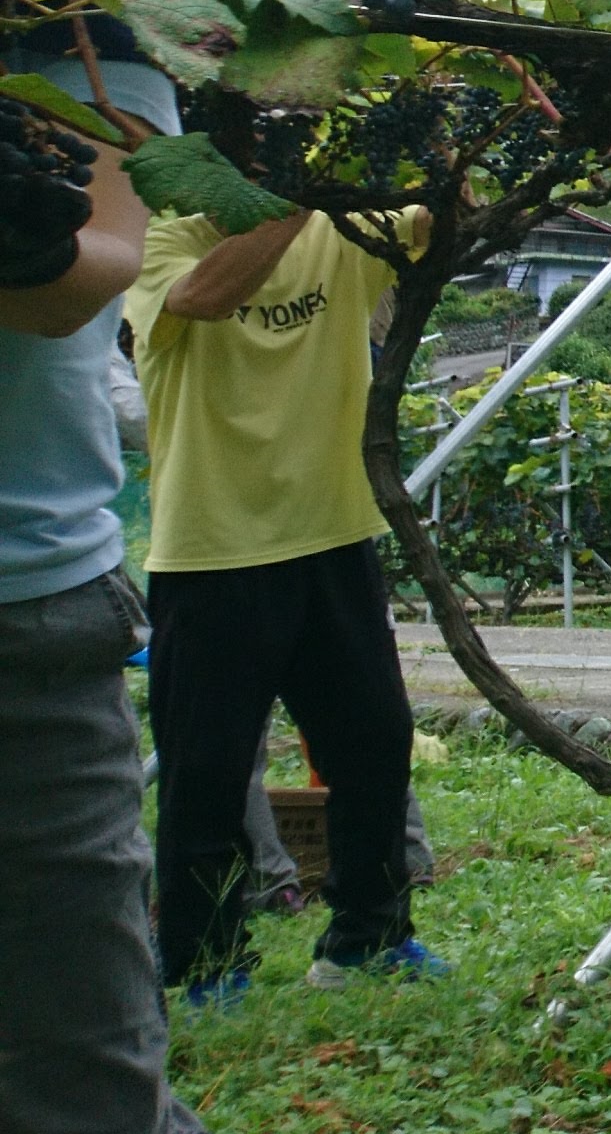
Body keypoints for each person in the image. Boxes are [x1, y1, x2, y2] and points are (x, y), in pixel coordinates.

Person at [0, 17, 225, 1134]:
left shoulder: (75, 23)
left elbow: (79, 282)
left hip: (21, 621)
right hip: (159, 560)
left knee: (77, 1113)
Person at [126, 197, 442, 997]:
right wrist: (301, 203)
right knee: (207, 774)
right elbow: (200, 297)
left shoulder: (342, 228)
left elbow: (446, 218)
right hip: (210, 552)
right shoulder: (166, 235)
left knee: (374, 744)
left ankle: (368, 939)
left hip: (332, 536)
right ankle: (206, 965)